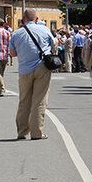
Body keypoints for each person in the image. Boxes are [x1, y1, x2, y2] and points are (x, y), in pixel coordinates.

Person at [9, 9, 55, 140]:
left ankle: (22, 132)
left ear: (23, 19)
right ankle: (36, 133)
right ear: (37, 19)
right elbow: (54, 43)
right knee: (39, 100)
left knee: (24, 100)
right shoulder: (44, 29)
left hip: (24, 69)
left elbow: (12, 54)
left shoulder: (16, 33)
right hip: (42, 67)